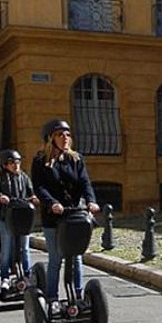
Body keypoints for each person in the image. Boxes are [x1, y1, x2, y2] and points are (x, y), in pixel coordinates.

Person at [32, 119, 99, 309]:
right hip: (53, 218)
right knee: (56, 258)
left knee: (77, 258)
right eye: (60, 135)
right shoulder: (40, 161)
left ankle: (78, 296)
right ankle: (52, 299)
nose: (65, 138)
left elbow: (85, 182)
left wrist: (91, 201)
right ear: (50, 138)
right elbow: (40, 187)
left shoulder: (76, 159)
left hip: (74, 216)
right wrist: (52, 203)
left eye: (68, 134)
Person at [0, 149, 39, 294]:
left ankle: (27, 274)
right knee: (6, 249)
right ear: (5, 164)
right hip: (7, 217)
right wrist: (0, 197)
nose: (16, 165)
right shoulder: (0, 178)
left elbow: (31, 193)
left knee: (24, 248)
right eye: (12, 163)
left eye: (18, 162)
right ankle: (5, 277)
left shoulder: (24, 177)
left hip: (23, 216)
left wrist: (35, 198)